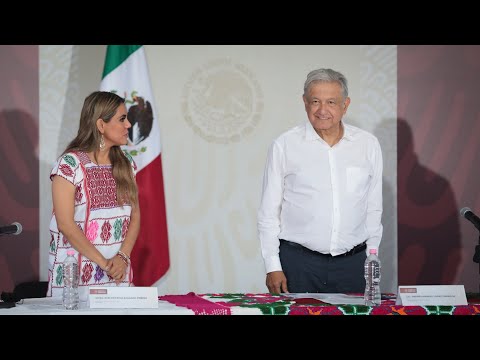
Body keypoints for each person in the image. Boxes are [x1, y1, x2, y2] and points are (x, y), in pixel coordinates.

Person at [257, 68, 383, 294]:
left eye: (331, 102)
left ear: (345, 105)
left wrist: (371, 258)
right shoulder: (284, 145)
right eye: (315, 101)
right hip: (298, 264)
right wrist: (272, 266)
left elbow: (373, 207)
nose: (322, 110)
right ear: (305, 102)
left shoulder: (368, 145)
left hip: (353, 264)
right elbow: (268, 212)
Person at [46, 91, 140, 299]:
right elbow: (66, 225)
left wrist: (122, 258)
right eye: (122, 119)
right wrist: (105, 263)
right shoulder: (69, 165)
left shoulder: (126, 163)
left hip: (117, 275)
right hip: (74, 281)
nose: (128, 125)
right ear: (101, 125)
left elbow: (135, 217)